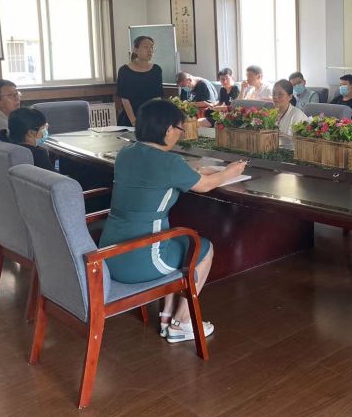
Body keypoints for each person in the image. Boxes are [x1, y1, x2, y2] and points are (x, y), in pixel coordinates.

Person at [99, 99, 247, 344]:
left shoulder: (126, 153)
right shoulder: (169, 163)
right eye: (180, 129)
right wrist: (229, 172)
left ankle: (167, 315)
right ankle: (183, 323)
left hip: (110, 254)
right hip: (143, 260)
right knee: (204, 248)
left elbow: (174, 173)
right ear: (168, 130)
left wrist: (201, 170)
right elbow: (205, 185)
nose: (180, 134)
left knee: (176, 242)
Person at [116, 36, 163, 127]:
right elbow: (125, 99)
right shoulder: (124, 70)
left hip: (150, 118)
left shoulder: (156, 70)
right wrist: (134, 122)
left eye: (151, 47)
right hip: (129, 119)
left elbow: (157, 97)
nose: (150, 50)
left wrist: (155, 118)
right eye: (145, 47)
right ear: (135, 50)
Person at [272, 79, 308, 144]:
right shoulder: (271, 113)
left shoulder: (297, 114)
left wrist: (281, 135)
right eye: (274, 93)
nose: (275, 97)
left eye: (280, 94)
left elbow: (300, 142)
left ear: (290, 97)